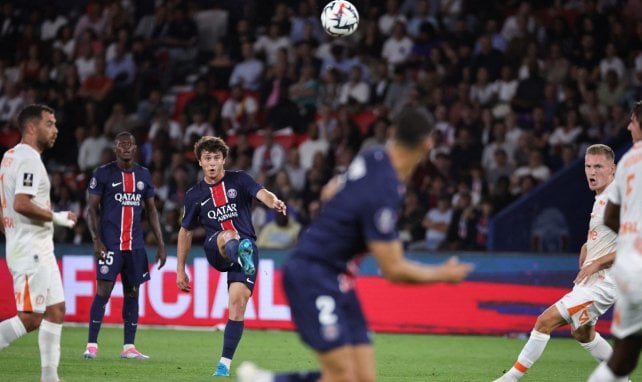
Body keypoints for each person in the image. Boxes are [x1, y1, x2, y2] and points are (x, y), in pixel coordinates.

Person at [237, 109, 473, 381]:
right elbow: (394, 269)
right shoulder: (384, 188)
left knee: (363, 378)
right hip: (313, 274)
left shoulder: (373, 157)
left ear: (393, 134)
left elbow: (329, 191)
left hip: (339, 279)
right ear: (428, 144)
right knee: (342, 376)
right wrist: (443, 274)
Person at [493, 144, 619, 381]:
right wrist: (587, 250)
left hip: (604, 281)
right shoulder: (601, 197)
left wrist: (595, 264)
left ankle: (509, 379)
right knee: (583, 333)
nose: (592, 171)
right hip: (591, 280)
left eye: (598, 166)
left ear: (612, 168)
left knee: (544, 321)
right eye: (588, 166)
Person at [175, 136, 286, 377]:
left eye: (216, 158)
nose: (212, 163)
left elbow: (262, 192)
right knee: (229, 235)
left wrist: (273, 201)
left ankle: (224, 364)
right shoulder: (195, 195)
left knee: (237, 305)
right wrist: (180, 269)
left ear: (224, 159)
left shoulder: (240, 179)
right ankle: (239, 250)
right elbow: (185, 231)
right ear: (200, 162)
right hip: (218, 248)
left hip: (247, 248)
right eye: (207, 159)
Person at [0, 104, 77, 382]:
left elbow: (5, 206)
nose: (55, 130)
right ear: (31, 127)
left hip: (36, 247)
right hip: (31, 249)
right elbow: (21, 203)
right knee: (31, 318)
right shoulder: (29, 160)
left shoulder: (10, 156)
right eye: (50, 123)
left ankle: (49, 377)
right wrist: (57, 217)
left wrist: (13, 235)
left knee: (56, 311)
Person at [83, 131, 167, 360]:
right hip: (110, 245)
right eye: (122, 144)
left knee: (132, 293)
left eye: (130, 144)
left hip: (136, 246)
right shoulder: (103, 173)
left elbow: (151, 210)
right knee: (103, 291)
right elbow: (91, 209)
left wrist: (160, 244)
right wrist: (96, 239)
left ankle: (129, 347)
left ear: (136, 148)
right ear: (115, 148)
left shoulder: (144, 174)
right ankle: (91, 344)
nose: (127, 147)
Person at [587, 102, 642, 382]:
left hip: (630, 267)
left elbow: (611, 217)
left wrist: (631, 238)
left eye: (632, 121)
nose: (628, 126)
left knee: (624, 357)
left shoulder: (630, 160)